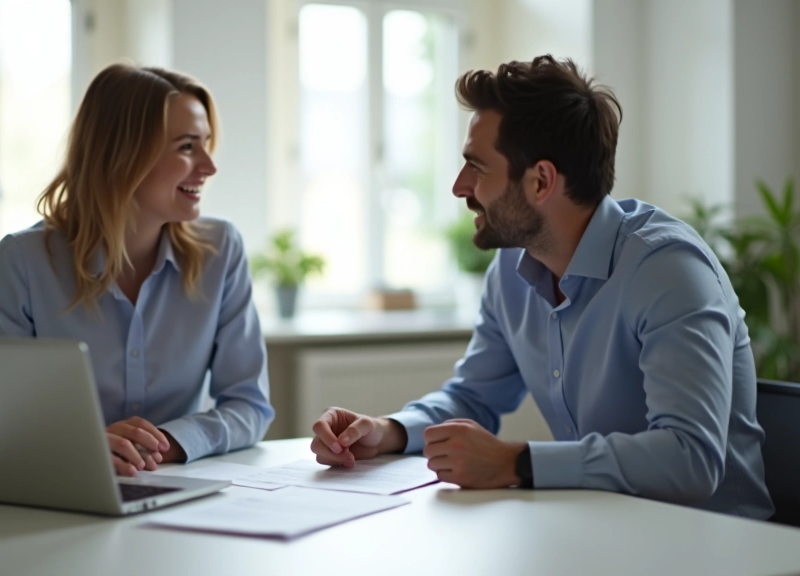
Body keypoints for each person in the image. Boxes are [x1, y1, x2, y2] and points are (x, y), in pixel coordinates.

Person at [310, 55, 774, 519]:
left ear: (541, 181)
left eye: (477, 167)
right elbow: (472, 397)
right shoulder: (512, 270)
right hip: (602, 530)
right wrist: (386, 431)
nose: (458, 186)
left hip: (714, 547)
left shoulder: (667, 271)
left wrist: (516, 461)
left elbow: (689, 458)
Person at [0, 63, 274, 477]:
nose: (208, 165)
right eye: (187, 147)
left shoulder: (220, 250)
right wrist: (82, 446)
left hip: (174, 493)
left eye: (206, 144)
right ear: (124, 154)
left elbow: (250, 405)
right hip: (58, 492)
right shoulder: (24, 261)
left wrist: (165, 443)